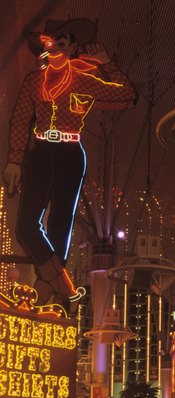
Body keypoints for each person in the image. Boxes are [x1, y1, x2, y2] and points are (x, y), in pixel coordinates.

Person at [2, 18, 136, 309]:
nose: (54, 49)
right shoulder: (33, 81)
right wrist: (14, 161)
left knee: (61, 222)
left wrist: (106, 63)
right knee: (26, 226)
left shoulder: (82, 80)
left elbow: (126, 95)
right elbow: (20, 122)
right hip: (39, 152)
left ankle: (47, 288)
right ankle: (62, 286)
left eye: (61, 44)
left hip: (70, 153)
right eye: (49, 44)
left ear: (72, 47)